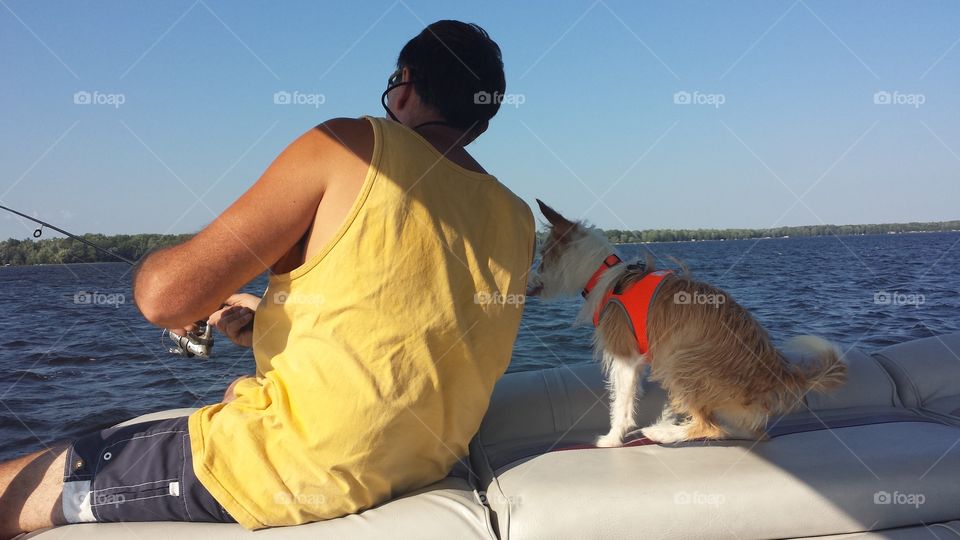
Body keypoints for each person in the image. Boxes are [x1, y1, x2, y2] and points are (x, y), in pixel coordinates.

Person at [0, 19, 534, 535]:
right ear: (481, 120)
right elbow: (413, 326)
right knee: (237, 390)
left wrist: (151, 269)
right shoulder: (516, 217)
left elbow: (164, 299)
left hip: (295, 471)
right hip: (416, 462)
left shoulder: (348, 145)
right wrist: (271, 321)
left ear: (404, 89)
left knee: (12, 489)